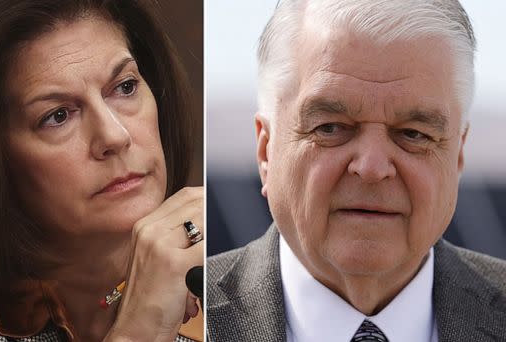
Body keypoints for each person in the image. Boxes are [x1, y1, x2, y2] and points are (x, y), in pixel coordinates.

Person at [0, 0, 203, 341]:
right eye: (58, 116)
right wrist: (138, 332)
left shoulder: (227, 284)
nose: (115, 136)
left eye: (125, 87)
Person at [207, 0, 506, 341]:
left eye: (413, 134)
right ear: (266, 152)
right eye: (331, 127)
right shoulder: (184, 317)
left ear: (457, 157)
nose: (372, 168)